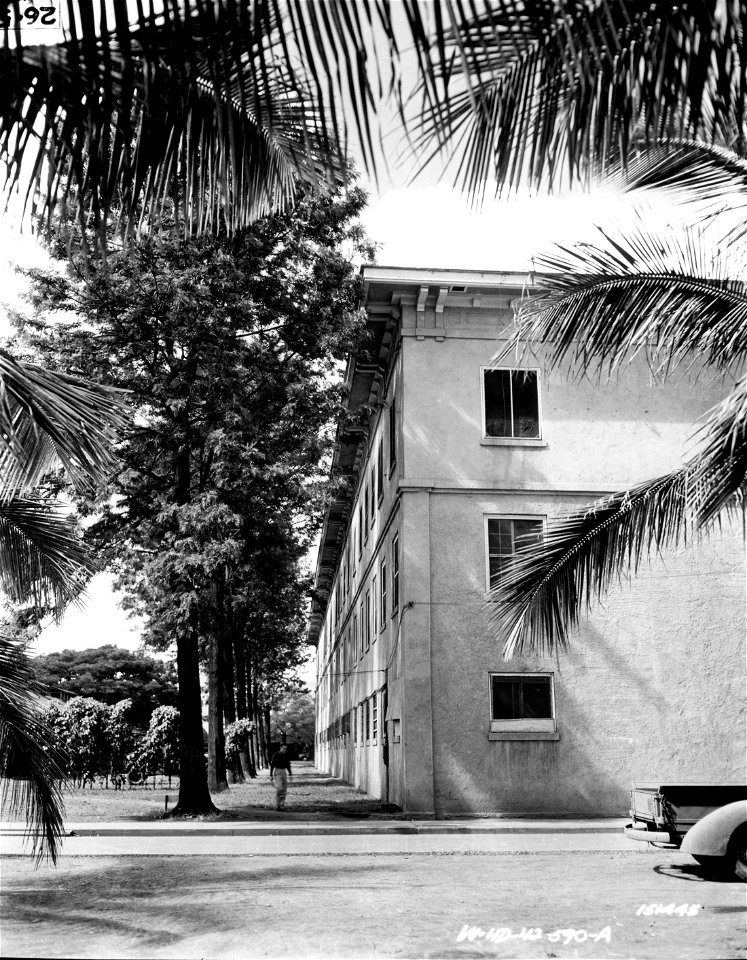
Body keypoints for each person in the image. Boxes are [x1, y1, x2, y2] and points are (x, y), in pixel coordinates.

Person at [269, 744, 292, 811]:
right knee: (280, 788)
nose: (285, 750)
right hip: (277, 771)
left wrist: (290, 773)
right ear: (280, 748)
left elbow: (288, 764)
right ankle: (274, 803)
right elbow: (272, 765)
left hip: (283, 771)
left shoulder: (286, 755)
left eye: (286, 748)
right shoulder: (276, 755)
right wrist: (270, 775)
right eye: (284, 748)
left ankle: (281, 805)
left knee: (284, 789)